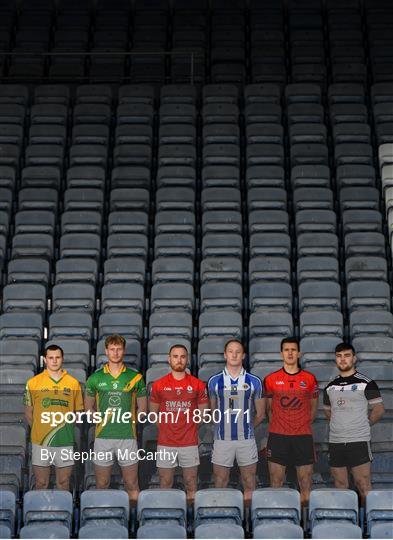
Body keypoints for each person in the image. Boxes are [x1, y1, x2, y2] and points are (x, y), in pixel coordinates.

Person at [84, 334, 147, 504]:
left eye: (119, 349)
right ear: (106, 351)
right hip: (103, 437)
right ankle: (100, 519)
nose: (116, 352)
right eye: (112, 349)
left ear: (124, 351)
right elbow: (88, 407)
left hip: (127, 437)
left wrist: (133, 419)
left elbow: (143, 408)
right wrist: (95, 416)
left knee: (132, 484)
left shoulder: (135, 377)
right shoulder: (95, 378)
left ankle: (133, 524)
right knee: (102, 484)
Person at [323, 342, 385, 504]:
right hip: (336, 441)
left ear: (354, 358)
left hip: (358, 441)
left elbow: (379, 409)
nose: (343, 359)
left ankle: (367, 527)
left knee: (363, 485)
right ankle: (345, 526)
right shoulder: (330, 387)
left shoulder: (367, 383)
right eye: (339, 356)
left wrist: (363, 425)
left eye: (347, 355)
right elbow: (328, 411)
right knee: (340, 485)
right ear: (335, 359)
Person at [149, 344, 209, 503]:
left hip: (189, 442)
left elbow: (203, 413)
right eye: (175, 356)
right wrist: (165, 429)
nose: (179, 360)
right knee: (165, 483)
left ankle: (190, 520)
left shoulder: (198, 384)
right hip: (166, 443)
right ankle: (167, 516)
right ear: (169, 359)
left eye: (182, 356)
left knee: (190, 483)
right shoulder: (158, 385)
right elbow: (153, 414)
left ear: (187, 359)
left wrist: (190, 428)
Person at [208, 339, 265, 505]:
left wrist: (246, 428)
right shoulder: (214, 381)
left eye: (238, 351)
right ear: (225, 354)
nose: (234, 354)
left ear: (243, 355)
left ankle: (248, 521)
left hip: (246, 440)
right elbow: (212, 412)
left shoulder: (254, 381)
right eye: (230, 351)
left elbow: (261, 414)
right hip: (222, 440)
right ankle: (222, 517)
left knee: (249, 483)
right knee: (220, 482)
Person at [263, 337, 319, 506]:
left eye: (293, 350)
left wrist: (299, 424)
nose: (290, 353)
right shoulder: (271, 379)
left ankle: (304, 523)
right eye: (286, 350)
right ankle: (277, 518)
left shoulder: (309, 379)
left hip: (302, 436)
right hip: (278, 436)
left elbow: (314, 409)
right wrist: (281, 425)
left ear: (299, 353)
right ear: (281, 353)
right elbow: (269, 410)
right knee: (276, 481)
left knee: (305, 481)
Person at [24, 344, 84, 490]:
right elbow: (28, 413)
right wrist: (41, 429)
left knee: (63, 483)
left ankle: (63, 512)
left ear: (62, 359)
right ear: (45, 360)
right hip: (40, 442)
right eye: (51, 358)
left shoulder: (73, 383)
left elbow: (78, 412)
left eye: (57, 357)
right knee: (41, 483)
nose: (54, 361)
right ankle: (39, 513)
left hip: (64, 441)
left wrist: (64, 429)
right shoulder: (33, 382)